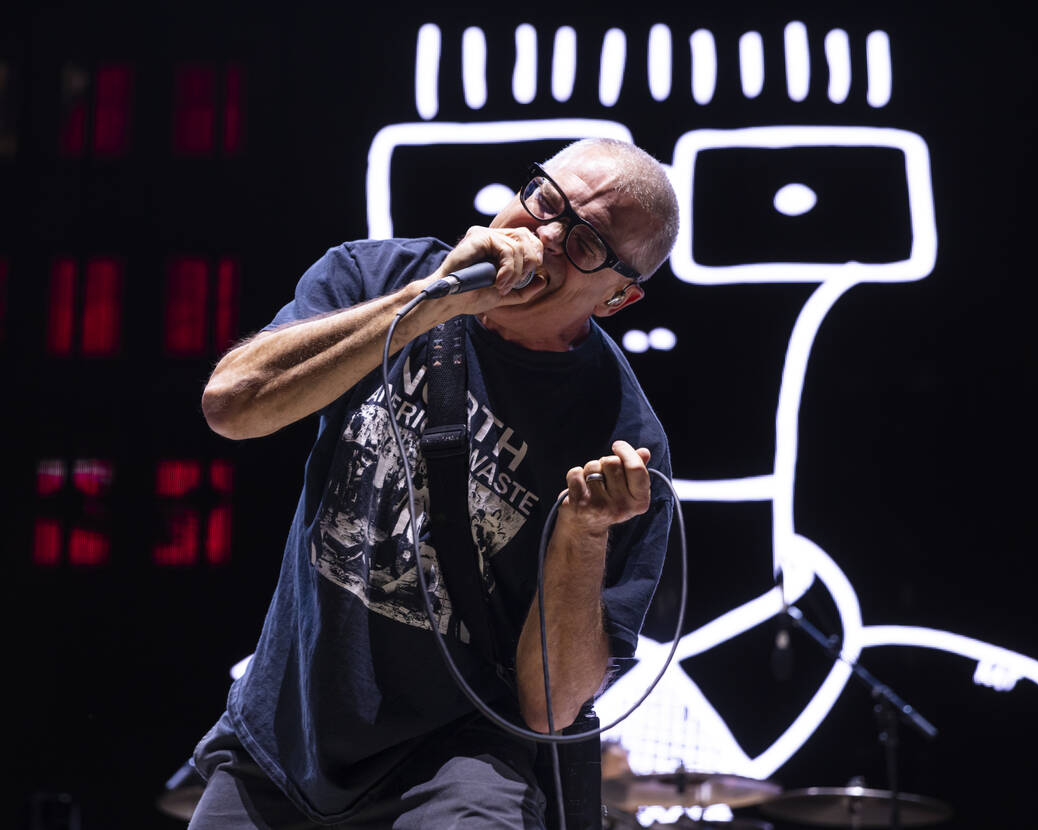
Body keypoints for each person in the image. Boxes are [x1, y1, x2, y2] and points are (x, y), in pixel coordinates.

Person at [187, 138, 679, 829]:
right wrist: (427, 305)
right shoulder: (380, 274)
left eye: (586, 242)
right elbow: (232, 407)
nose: (544, 235)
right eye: (544, 201)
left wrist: (585, 531)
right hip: (287, 738)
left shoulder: (620, 436)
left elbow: (552, 704)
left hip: (458, 763)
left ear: (618, 298)